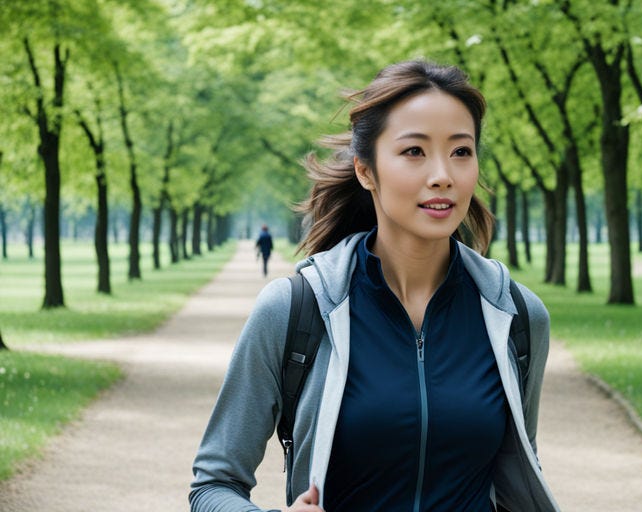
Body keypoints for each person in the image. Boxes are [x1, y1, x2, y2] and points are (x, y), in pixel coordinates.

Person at [190, 60, 560, 512]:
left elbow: (518, 477)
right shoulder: (295, 310)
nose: (443, 174)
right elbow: (213, 486)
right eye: (414, 152)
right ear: (366, 171)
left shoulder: (516, 317)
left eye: (461, 151)